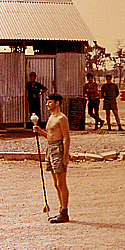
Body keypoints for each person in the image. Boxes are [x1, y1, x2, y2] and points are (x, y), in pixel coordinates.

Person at [33, 94, 71, 224]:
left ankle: (64, 212)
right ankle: (61, 209)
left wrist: (65, 156)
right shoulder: (51, 118)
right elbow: (49, 136)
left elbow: (66, 137)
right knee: (55, 183)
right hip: (50, 148)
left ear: (58, 103)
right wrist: (39, 131)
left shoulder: (62, 118)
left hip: (58, 149)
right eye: (47, 102)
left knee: (61, 183)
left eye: (50, 102)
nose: (47, 104)